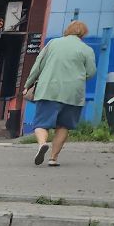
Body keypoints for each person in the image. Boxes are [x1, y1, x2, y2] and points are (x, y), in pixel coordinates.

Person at [24, 20, 99, 167]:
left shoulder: (53, 43)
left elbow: (38, 65)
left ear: (67, 30)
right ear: (83, 33)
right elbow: (91, 72)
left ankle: (42, 144)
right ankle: (53, 158)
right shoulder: (87, 50)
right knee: (64, 126)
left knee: (41, 124)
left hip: (49, 90)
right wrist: (78, 78)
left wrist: (28, 84)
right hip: (73, 94)